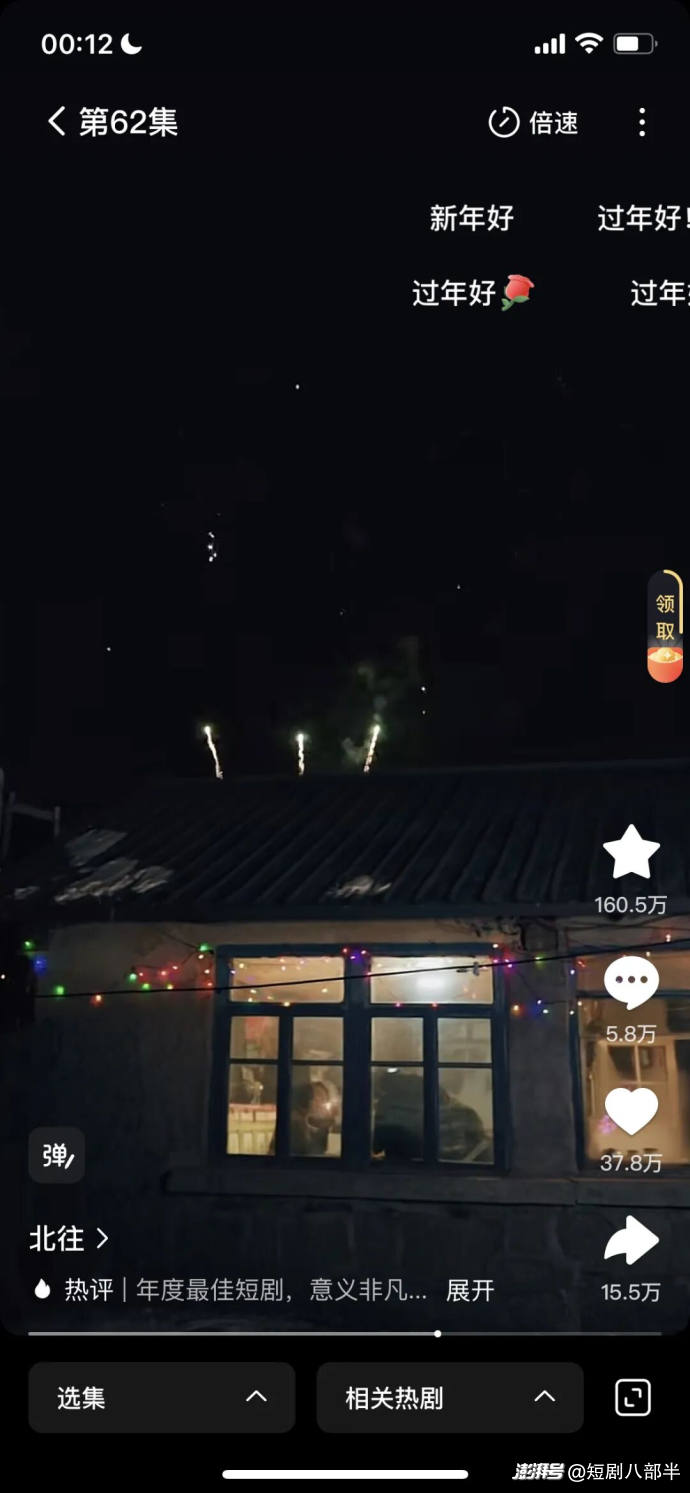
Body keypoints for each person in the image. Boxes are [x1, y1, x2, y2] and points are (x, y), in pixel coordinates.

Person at [373, 1070, 489, 1162]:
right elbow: (482, 1147)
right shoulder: (463, 1111)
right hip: (457, 1173)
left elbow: (374, 1146)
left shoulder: (391, 1110)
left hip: (408, 1176)